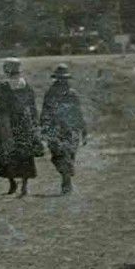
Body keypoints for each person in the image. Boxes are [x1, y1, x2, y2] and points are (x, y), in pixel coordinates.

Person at [0, 57, 42, 196]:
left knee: (7, 152)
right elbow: (32, 105)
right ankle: (24, 186)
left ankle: (12, 183)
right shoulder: (25, 84)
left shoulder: (4, 85)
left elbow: (1, 105)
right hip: (24, 122)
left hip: (8, 122)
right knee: (25, 154)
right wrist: (34, 121)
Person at [40, 63, 88, 194]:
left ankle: (66, 180)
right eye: (60, 78)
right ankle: (66, 177)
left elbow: (78, 113)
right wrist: (44, 128)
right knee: (57, 156)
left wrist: (84, 130)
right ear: (56, 78)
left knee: (69, 154)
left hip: (71, 129)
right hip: (54, 130)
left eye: (64, 78)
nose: (62, 81)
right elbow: (45, 111)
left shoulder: (73, 94)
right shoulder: (50, 93)